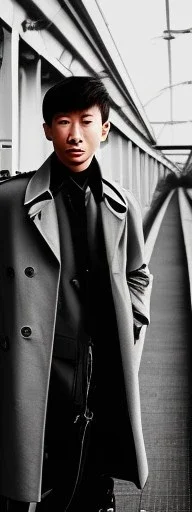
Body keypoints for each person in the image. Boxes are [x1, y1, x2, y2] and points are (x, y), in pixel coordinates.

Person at [0, 77, 153, 511]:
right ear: (47, 130)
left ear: (105, 129)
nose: (75, 135)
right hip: (37, 368)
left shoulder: (122, 205)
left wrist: (134, 321)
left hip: (101, 366)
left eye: (87, 122)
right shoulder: (10, 200)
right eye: (63, 122)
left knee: (94, 482)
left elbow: (138, 273)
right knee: (36, 481)